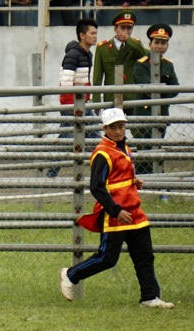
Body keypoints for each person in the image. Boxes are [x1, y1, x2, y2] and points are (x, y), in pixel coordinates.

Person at [59, 108, 173, 309]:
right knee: (107, 258)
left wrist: (133, 181)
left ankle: (150, 297)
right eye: (113, 127)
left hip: (134, 211)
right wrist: (115, 210)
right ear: (105, 128)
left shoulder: (125, 148)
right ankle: (71, 274)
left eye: (121, 126)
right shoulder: (102, 153)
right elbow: (97, 186)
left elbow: (117, 177)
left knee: (144, 255)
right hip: (116, 214)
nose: (118, 131)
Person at [47, 17, 99, 179]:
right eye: (92, 33)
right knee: (72, 138)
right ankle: (50, 173)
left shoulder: (86, 54)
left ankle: (51, 173)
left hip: (81, 104)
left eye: (96, 33)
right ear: (82, 35)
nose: (95, 36)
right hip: (73, 105)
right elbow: (66, 82)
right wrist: (71, 106)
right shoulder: (74, 55)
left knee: (90, 137)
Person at [132, 23, 179, 176]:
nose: (160, 46)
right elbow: (147, 89)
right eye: (157, 42)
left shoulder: (168, 65)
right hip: (143, 114)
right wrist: (162, 89)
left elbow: (175, 88)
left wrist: (160, 91)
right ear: (150, 44)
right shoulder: (140, 65)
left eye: (163, 43)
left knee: (158, 146)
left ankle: (157, 177)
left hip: (162, 113)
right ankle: (142, 179)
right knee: (144, 149)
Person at [91, 10, 148, 106]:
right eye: (122, 28)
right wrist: (96, 101)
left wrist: (128, 40)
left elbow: (144, 56)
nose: (125, 31)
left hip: (131, 97)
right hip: (111, 98)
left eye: (129, 28)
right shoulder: (102, 48)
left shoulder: (135, 45)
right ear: (115, 28)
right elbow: (97, 77)